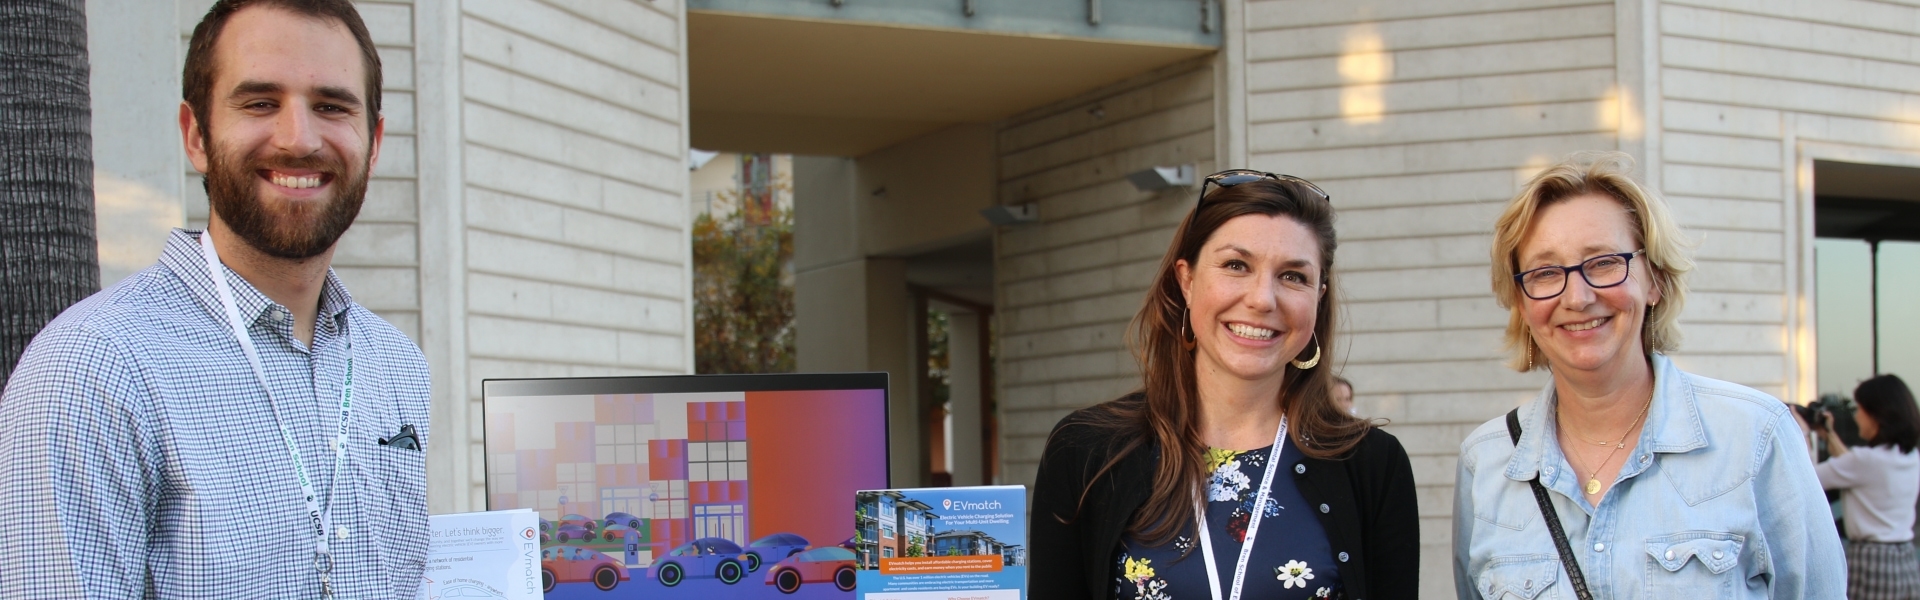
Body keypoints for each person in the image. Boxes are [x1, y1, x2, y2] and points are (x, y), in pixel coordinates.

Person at [0, 1, 430, 598]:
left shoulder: (397, 365)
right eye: (260, 103)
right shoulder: (92, 369)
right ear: (196, 136)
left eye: (331, 106)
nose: (299, 138)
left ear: (373, 143)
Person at [1452, 152, 1843, 599]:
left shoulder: (1755, 438)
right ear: (1522, 302)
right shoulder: (1486, 462)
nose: (1577, 297)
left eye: (1602, 263)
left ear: (1654, 278)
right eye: (1545, 272)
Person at [1031, 170, 1420, 600]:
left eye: (1293, 276)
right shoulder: (1087, 451)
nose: (1262, 299)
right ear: (1187, 279)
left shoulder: (1372, 465)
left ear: (1319, 296)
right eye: (1237, 266)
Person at [1794, 374, 1920, 599]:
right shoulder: (1909, 457)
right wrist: (1828, 435)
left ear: (1877, 416)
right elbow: (1855, 468)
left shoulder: (1866, 461)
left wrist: (1802, 433)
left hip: (1873, 560)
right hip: (1905, 558)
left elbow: (1806, 479)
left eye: (1860, 409)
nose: (1856, 416)